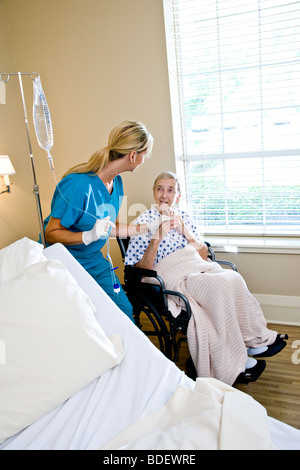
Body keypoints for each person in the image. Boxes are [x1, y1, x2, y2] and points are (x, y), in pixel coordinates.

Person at [124, 171, 288, 385]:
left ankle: (250, 340)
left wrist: (185, 231)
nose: (164, 194)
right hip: (171, 273)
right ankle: (232, 360)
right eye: (160, 189)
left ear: (178, 196)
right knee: (218, 285)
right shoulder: (142, 222)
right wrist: (156, 240)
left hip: (196, 265)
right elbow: (139, 269)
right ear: (154, 193)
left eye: (170, 189)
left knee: (233, 278)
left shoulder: (185, 218)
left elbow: (203, 254)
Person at [43, 121, 153, 323]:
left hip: (94, 262)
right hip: (67, 263)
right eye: (145, 155)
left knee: (124, 312)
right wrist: (87, 236)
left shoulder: (116, 182)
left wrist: (147, 228)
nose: (144, 160)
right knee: (87, 318)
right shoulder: (77, 184)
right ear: (133, 155)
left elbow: (112, 227)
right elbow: (51, 232)